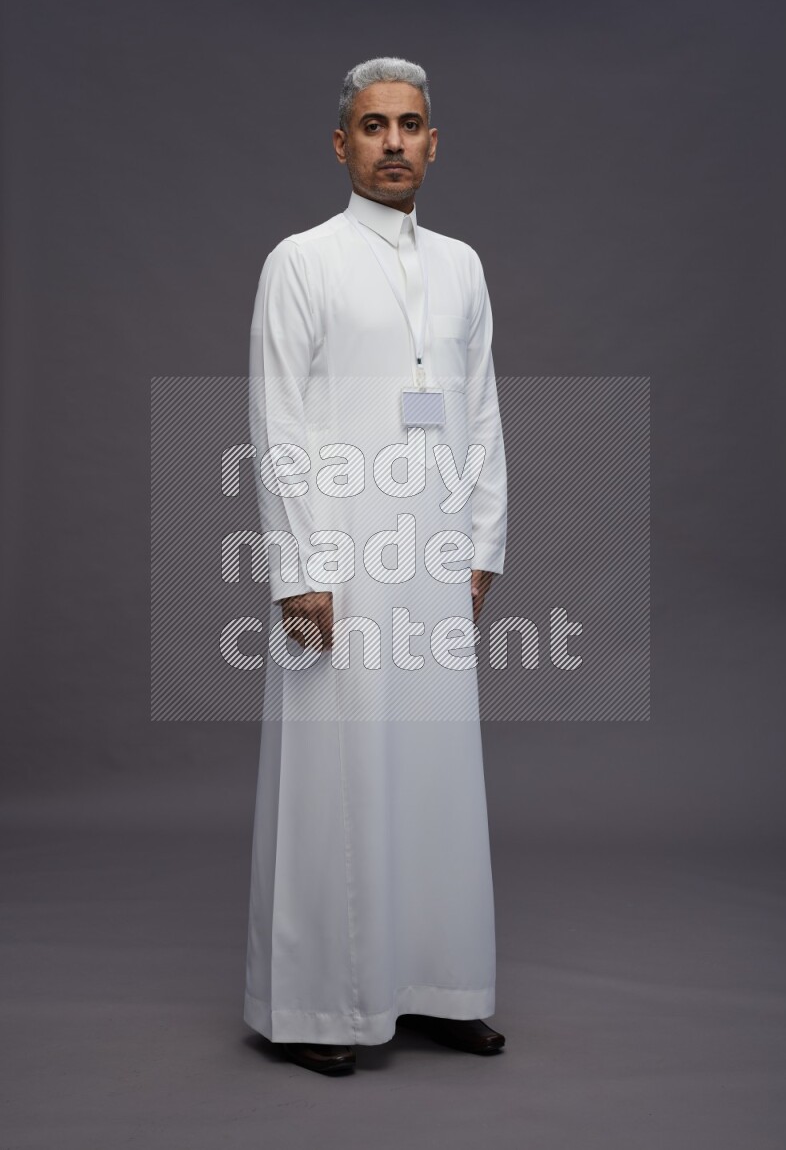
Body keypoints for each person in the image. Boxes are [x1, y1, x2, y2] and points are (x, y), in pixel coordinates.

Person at [244, 56, 508, 1075]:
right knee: (336, 774)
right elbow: (276, 424)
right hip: (340, 558)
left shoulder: (461, 266)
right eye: (371, 126)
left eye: (408, 125)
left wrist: (481, 541)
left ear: (433, 142)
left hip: (434, 554)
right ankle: (319, 1007)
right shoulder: (301, 261)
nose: (392, 142)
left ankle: (441, 987)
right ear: (340, 143)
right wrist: (297, 567)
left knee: (436, 770)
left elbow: (479, 406)